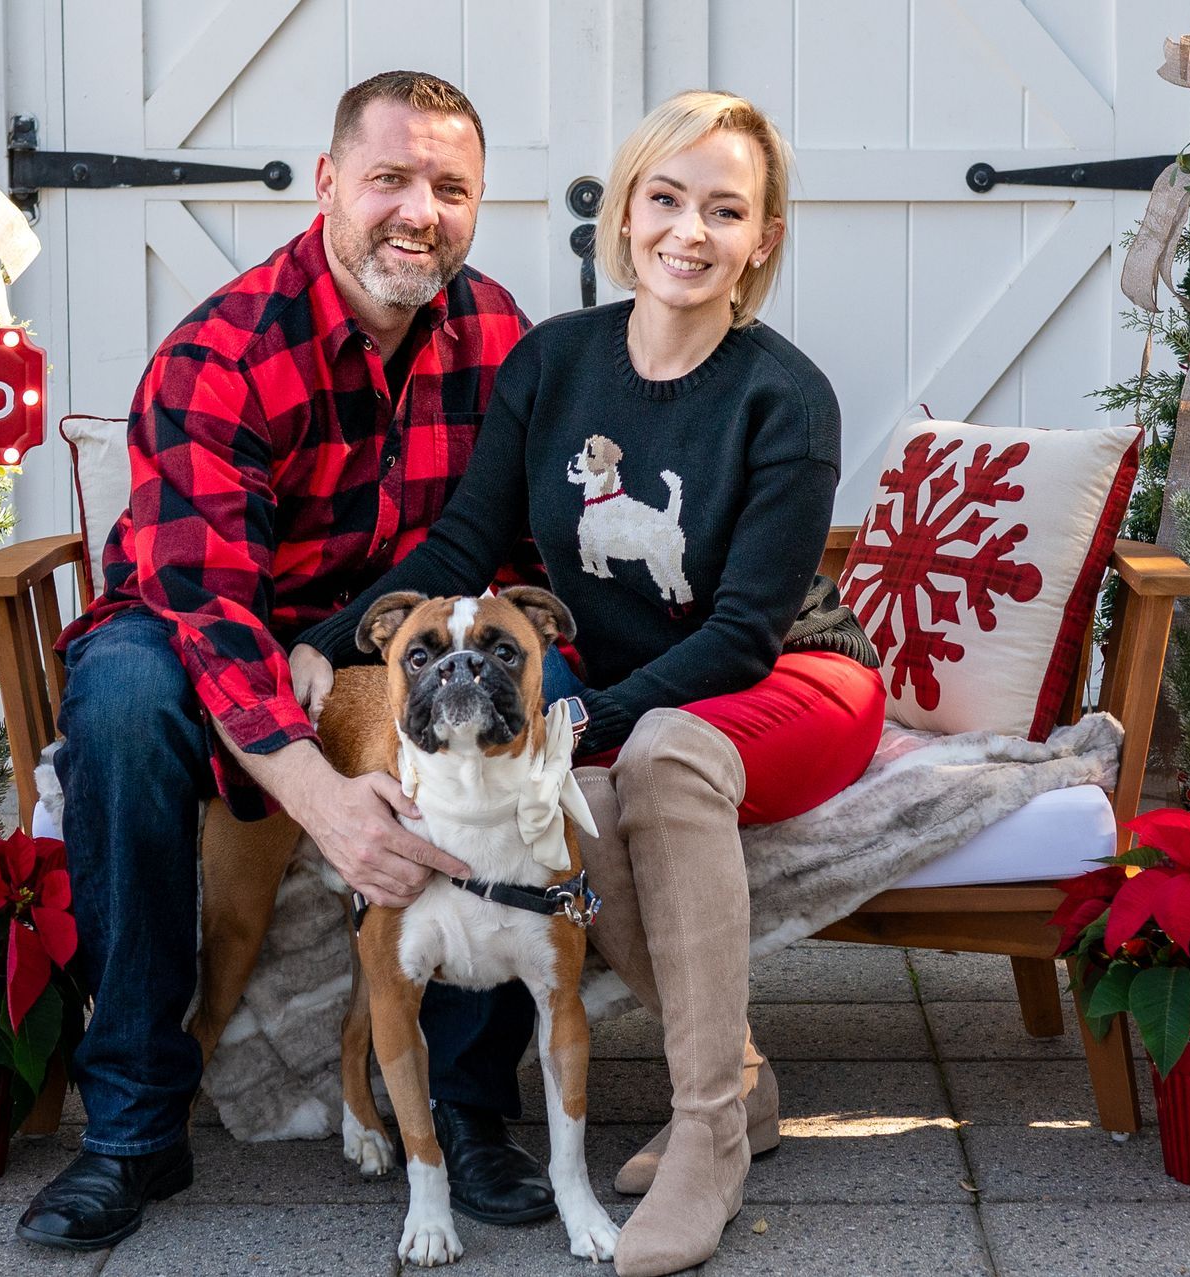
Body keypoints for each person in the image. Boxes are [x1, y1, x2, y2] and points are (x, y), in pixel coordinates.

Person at [292, 90, 887, 1276]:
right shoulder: (554, 363)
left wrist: (574, 722)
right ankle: (742, 1084)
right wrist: (328, 640)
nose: (689, 230)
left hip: (794, 677)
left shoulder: (786, 396)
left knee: (650, 756)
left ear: (760, 238)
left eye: (726, 209)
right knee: (592, 795)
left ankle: (707, 1135)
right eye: (666, 198)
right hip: (637, 690)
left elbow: (739, 633)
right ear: (626, 212)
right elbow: (465, 544)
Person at [20, 71, 561, 1252]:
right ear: (327, 184)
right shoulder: (221, 350)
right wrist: (321, 799)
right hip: (199, 623)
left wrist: (340, 650)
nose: (420, 211)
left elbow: (508, 541)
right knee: (120, 700)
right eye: (391, 179)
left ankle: (469, 1110)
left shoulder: (501, 335)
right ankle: (132, 1121)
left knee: (546, 691)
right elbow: (208, 607)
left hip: (391, 653)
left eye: (451, 187)